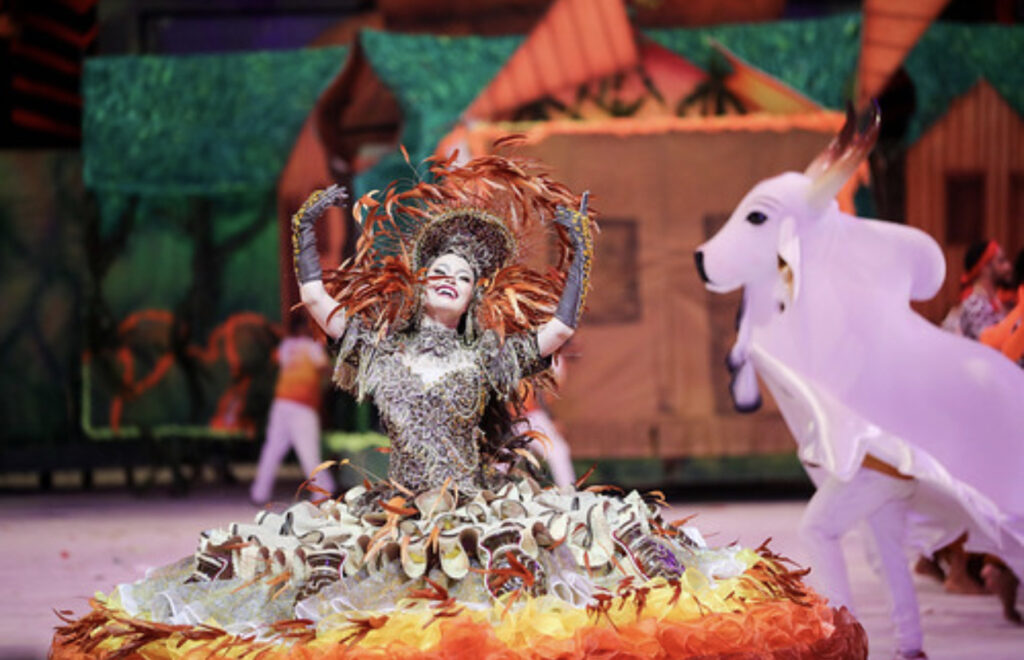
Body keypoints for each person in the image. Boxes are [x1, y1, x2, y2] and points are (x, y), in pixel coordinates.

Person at [52, 154, 865, 658]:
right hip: (396, 514)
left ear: (476, 294)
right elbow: (320, 305)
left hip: (479, 515)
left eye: (462, 274)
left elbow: (558, 331)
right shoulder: (379, 347)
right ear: (420, 282)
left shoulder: (487, 355)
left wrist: (575, 247)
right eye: (437, 268)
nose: (447, 276)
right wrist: (307, 229)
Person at [249, 312, 335, 505]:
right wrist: (337, 373)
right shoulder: (312, 347)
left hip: (282, 404)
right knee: (308, 452)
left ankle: (259, 493)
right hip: (302, 407)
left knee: (272, 450)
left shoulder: (286, 346)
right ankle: (323, 491)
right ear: (305, 328)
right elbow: (325, 369)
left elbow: (277, 361)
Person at [515, 351, 575, 490]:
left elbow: (540, 388)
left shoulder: (544, 353)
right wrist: (551, 418)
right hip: (518, 416)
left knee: (558, 451)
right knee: (502, 460)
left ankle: (570, 492)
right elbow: (540, 388)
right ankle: (569, 492)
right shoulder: (543, 351)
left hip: (524, 414)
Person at [957, 239, 1013, 339]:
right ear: (985, 267)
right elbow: (991, 342)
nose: (1008, 267)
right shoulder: (975, 303)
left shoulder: (999, 300)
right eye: (1001, 261)